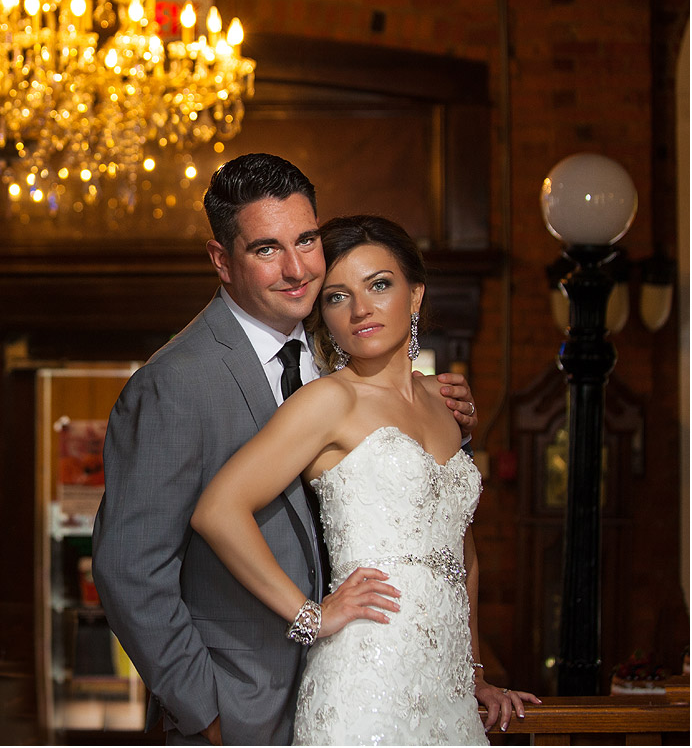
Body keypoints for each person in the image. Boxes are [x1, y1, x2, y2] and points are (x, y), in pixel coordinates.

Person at [91, 154, 479, 745]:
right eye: (267, 249)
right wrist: (207, 714)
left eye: (307, 240)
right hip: (238, 706)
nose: (298, 269)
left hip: (358, 683)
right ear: (222, 260)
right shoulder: (175, 383)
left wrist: (439, 408)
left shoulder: (339, 354)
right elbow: (129, 572)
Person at [191, 214, 540, 744]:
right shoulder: (330, 401)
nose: (360, 309)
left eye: (379, 284)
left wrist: (475, 676)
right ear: (322, 315)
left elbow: (462, 556)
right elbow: (218, 510)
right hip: (364, 681)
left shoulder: (444, 403)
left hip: (447, 692)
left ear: (415, 295)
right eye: (336, 296)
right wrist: (309, 615)